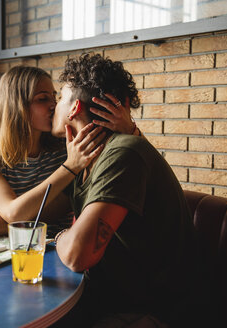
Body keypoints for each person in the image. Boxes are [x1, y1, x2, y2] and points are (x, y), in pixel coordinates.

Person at [0, 65, 142, 248]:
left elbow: (134, 162)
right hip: (11, 253)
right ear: (17, 106)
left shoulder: (68, 147)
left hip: (55, 251)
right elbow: (13, 215)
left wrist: (129, 128)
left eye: (54, 97)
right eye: (43, 99)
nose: (53, 105)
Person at [50, 54, 199, 327]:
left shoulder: (124, 152)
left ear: (74, 109)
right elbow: (24, 213)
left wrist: (59, 236)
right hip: (103, 299)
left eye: (60, 97)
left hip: (146, 312)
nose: (54, 106)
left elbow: (76, 256)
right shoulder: (86, 158)